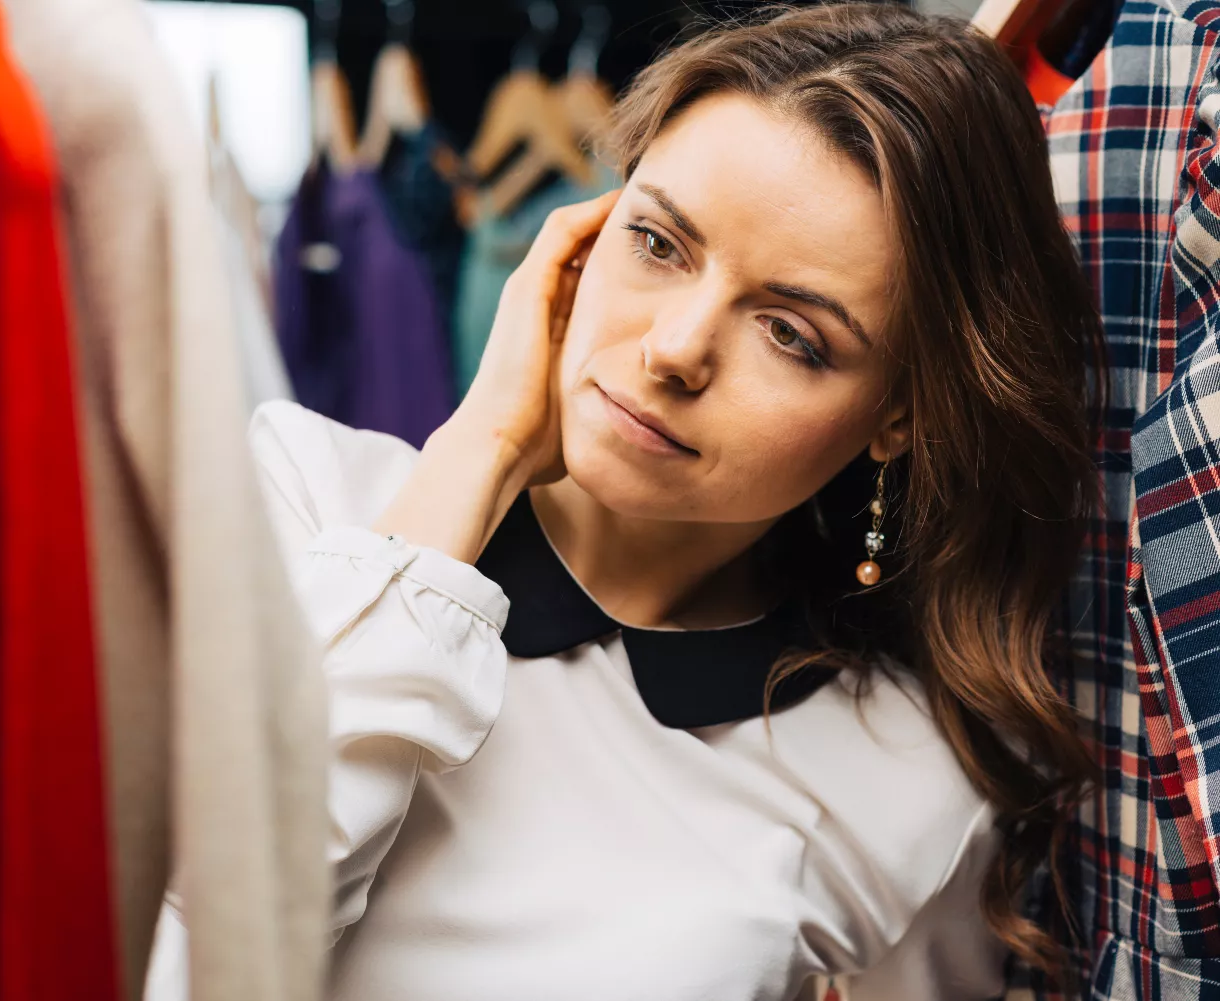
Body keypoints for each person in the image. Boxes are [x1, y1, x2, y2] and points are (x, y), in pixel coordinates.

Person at [147, 4, 1103, 999]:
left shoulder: (904, 773)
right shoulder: (290, 495)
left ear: (897, 415)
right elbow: (194, 956)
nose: (677, 347)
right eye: (656, 242)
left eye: (793, 334)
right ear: (575, 240)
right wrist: (476, 452)